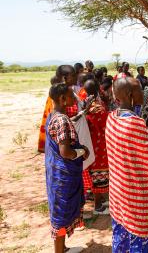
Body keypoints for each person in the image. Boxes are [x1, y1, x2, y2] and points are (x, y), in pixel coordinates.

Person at [105, 77, 148, 253]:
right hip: (135, 193)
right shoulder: (135, 123)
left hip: (118, 190)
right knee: (139, 231)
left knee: (122, 230)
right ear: (129, 95)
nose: (142, 92)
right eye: (139, 90)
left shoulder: (112, 118)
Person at [45, 83, 90, 253]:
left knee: (60, 210)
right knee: (62, 213)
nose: (75, 97)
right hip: (63, 176)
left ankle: (62, 248)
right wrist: (82, 151)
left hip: (56, 173)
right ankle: (59, 251)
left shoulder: (53, 116)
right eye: (71, 95)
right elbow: (65, 152)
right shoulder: (62, 120)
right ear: (63, 99)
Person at [83, 79, 110, 215]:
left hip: (92, 145)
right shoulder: (98, 107)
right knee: (98, 174)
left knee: (96, 172)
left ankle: (100, 201)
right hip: (99, 145)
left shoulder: (87, 106)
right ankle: (98, 206)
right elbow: (106, 124)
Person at [38, 65, 78, 153]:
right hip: (62, 145)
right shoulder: (57, 97)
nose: (77, 77)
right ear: (65, 78)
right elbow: (58, 121)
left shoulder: (69, 92)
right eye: (74, 75)